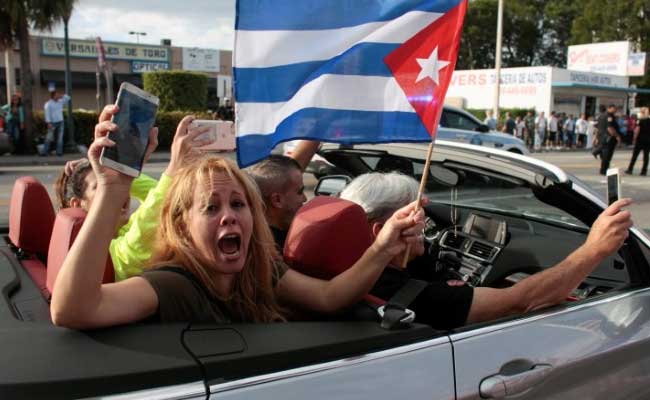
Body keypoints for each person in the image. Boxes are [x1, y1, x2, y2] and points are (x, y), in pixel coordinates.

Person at [50, 116, 425, 329]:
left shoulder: (261, 268)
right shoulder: (174, 284)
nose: (229, 215)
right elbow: (74, 310)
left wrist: (384, 245)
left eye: (238, 204)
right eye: (211, 209)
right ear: (182, 227)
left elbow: (328, 298)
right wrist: (113, 192)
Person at [339, 172, 633, 330]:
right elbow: (522, 300)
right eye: (416, 220)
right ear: (381, 232)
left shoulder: (336, 272)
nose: (426, 230)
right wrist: (594, 249)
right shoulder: (414, 296)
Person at [53, 106, 213, 280]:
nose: (120, 191)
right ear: (77, 204)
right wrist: (173, 168)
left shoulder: (123, 230)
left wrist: (119, 170)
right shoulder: (101, 252)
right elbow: (141, 237)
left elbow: (163, 199)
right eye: (99, 185)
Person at [246, 140, 320, 250]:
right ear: (277, 200)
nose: (304, 198)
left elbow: (285, 176)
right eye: (300, 192)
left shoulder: (251, 235)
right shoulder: (273, 252)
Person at [43, 90, 71, 156]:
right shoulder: (48, 104)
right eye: (56, 95)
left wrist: (62, 96)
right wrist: (48, 122)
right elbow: (47, 114)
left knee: (60, 138)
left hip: (60, 122)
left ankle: (59, 152)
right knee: (49, 137)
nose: (58, 96)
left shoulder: (60, 102)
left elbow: (68, 98)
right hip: (52, 122)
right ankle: (45, 152)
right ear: (53, 96)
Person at [598, 104, 622, 175]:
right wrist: (617, 136)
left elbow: (597, 128)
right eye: (614, 109)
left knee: (604, 155)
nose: (615, 110)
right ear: (610, 108)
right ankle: (604, 170)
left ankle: (603, 169)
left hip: (602, 137)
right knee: (607, 155)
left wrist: (596, 138)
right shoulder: (609, 116)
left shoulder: (601, 115)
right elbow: (610, 128)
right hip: (609, 138)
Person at [626, 107, 650, 176]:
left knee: (635, 155)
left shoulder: (640, 121)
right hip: (648, 140)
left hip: (640, 140)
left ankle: (630, 169)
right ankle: (644, 171)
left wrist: (634, 139)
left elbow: (637, 130)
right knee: (646, 156)